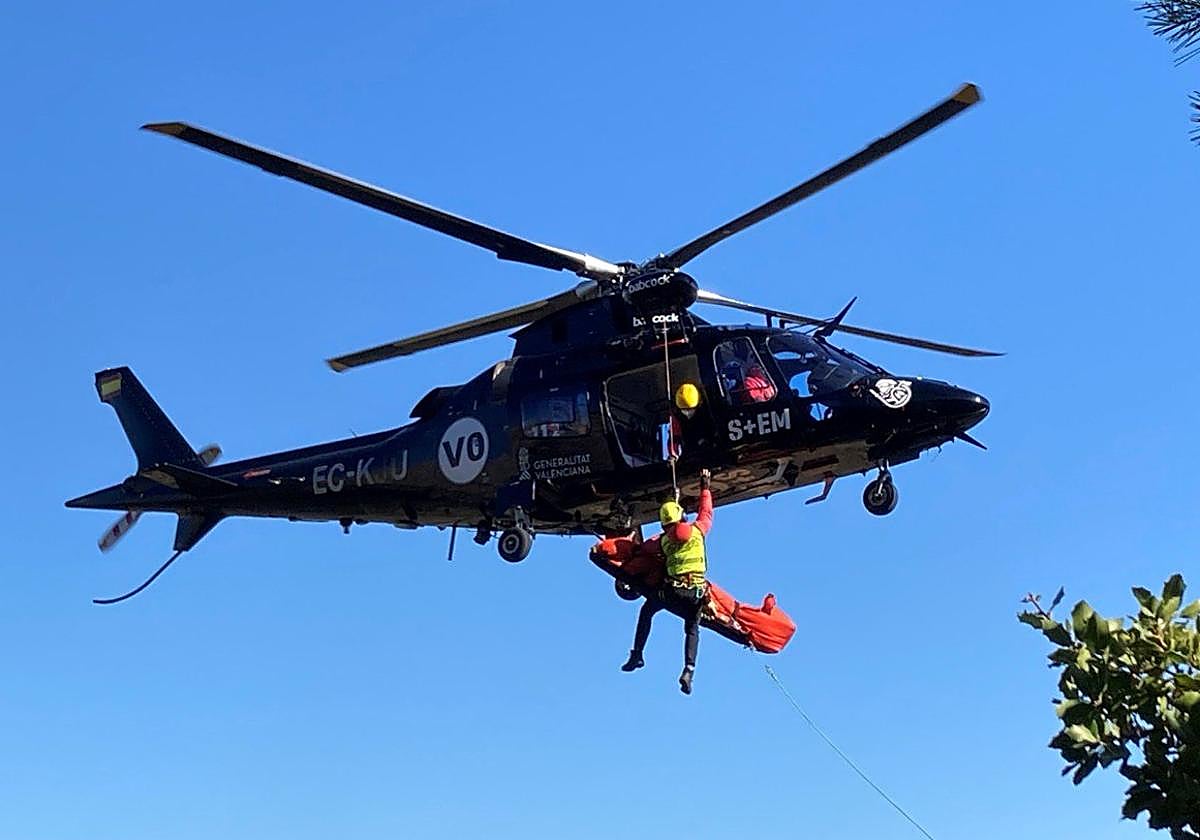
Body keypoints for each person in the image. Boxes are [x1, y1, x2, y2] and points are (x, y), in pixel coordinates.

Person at [620, 468, 714, 694]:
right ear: (682, 517)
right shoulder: (698, 531)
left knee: (647, 610)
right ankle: (689, 670)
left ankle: (637, 655)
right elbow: (706, 512)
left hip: (671, 593)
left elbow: (643, 548)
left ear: (663, 525)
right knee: (692, 628)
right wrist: (705, 487)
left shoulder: (662, 542)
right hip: (696, 594)